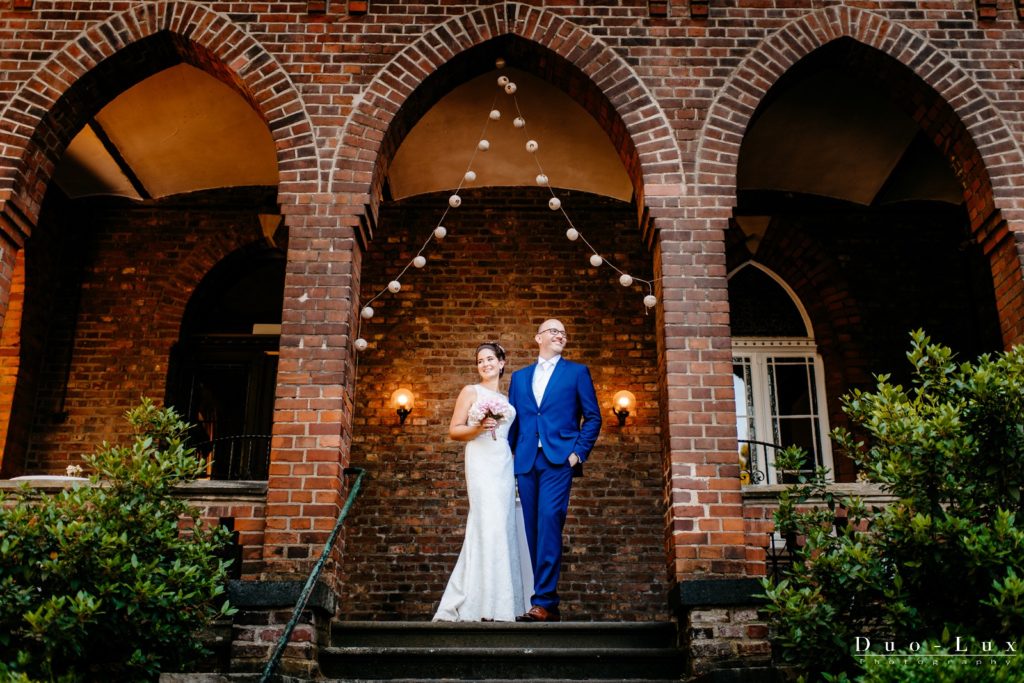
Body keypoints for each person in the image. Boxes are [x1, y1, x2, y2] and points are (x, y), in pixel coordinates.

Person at [507, 319, 601, 622]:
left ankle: (543, 601)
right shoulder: (520, 378)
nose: (560, 334)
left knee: (549, 519)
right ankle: (548, 601)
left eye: (563, 332)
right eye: (553, 330)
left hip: (558, 460)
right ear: (538, 338)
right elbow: (514, 422)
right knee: (533, 529)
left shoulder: (577, 372)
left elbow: (593, 417)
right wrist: (507, 457)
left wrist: (577, 454)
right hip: (525, 461)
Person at [433, 342, 532, 622]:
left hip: (503, 460)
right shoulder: (470, 392)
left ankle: (501, 602)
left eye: (490, 359)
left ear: (502, 363)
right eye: (480, 361)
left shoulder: (510, 397)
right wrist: (478, 428)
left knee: (502, 525)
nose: (485, 364)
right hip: (479, 458)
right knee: (485, 522)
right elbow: (454, 430)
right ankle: (478, 602)